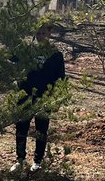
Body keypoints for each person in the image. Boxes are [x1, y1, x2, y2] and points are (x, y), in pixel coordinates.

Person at [12, 23, 66, 173]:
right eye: (38, 33)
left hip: (45, 96)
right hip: (25, 94)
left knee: (41, 129)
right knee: (21, 127)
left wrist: (56, 97)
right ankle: (20, 159)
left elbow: (60, 77)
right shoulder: (26, 51)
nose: (40, 35)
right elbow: (11, 60)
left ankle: (37, 161)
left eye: (43, 33)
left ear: (49, 33)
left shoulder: (55, 54)